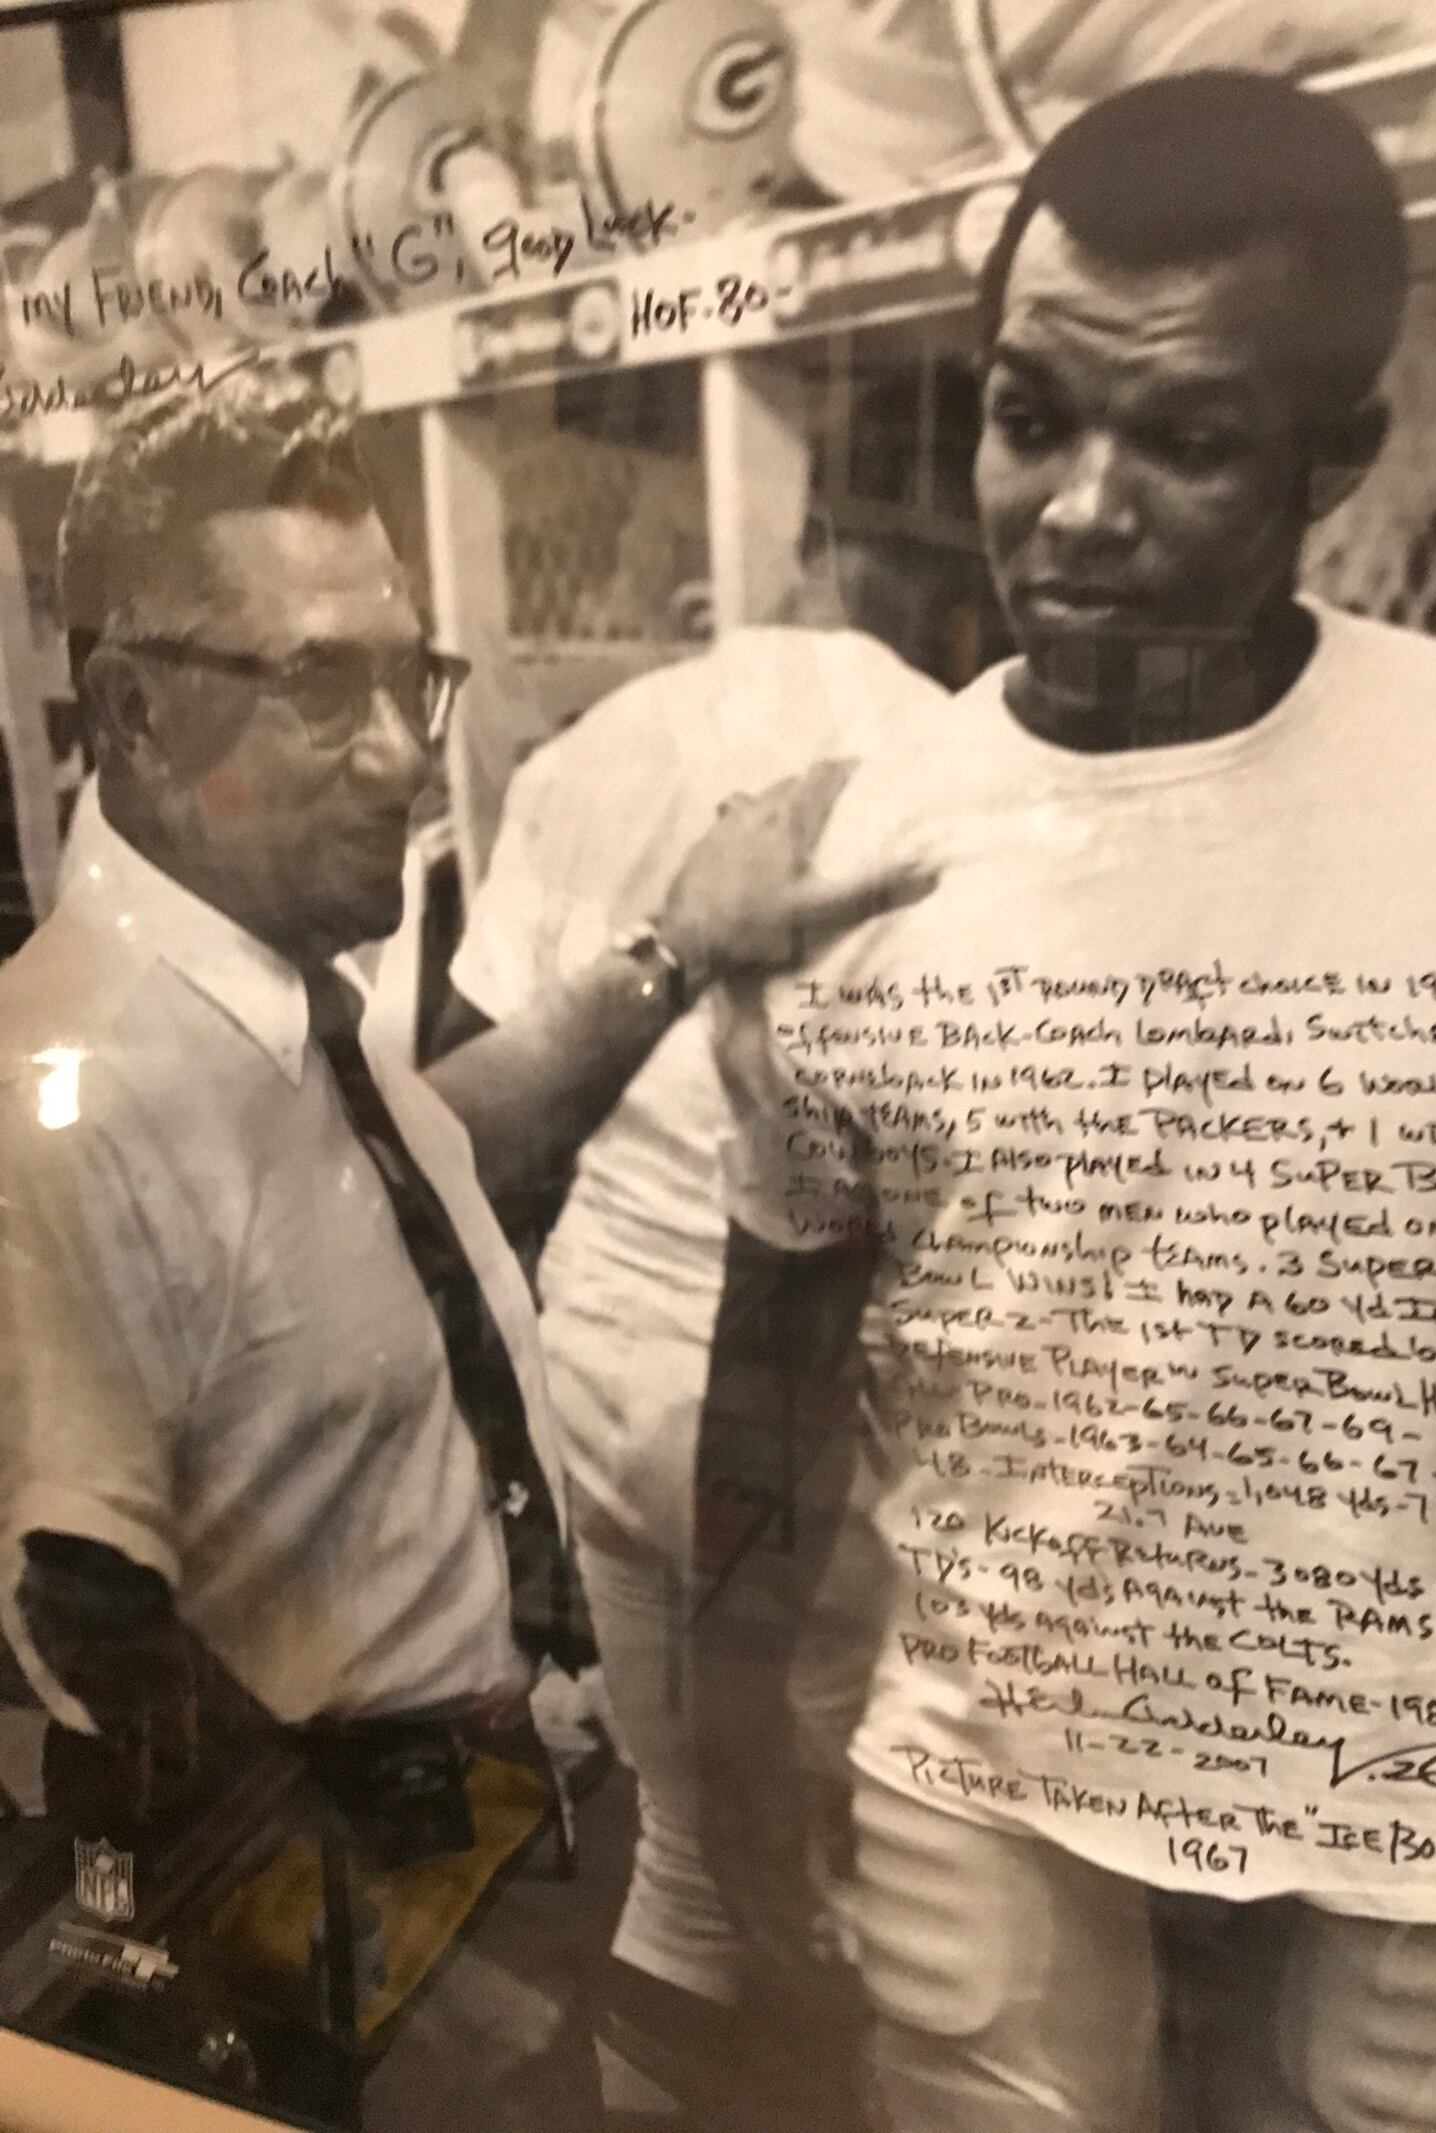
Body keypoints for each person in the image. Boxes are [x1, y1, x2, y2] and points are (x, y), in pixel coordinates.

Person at [692, 69, 1436, 2133]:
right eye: (1029, 415)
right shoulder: (856, 845)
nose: (1075, 507)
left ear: (1332, 454)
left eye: (1180, 439)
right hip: (981, 1771)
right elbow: (774, 1350)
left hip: (1398, 1807)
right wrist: (732, 1727)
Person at [0, 368, 931, 1893]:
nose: (406, 756)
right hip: (365, 1922)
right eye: (317, 688)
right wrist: (394, 1913)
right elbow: (89, 1632)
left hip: (482, 1843)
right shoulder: (64, 1104)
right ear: (132, 708)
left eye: (405, 677)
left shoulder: (264, 987)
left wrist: (675, 951)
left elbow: (430, 1158)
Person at [445, 618, 945, 2103]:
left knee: (679, 1828)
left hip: (603, 1360)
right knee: (851, 1864)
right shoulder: (947, 754)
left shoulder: (590, 753)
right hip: (808, 1392)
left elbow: (494, 1110)